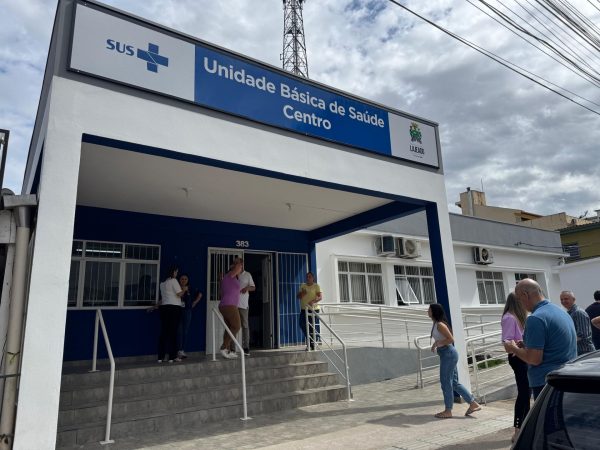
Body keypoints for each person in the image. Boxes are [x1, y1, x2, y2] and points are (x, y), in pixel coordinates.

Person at [504, 279, 577, 399]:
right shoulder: (561, 311)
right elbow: (553, 342)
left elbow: (534, 359)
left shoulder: (536, 318)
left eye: (519, 299)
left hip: (546, 382)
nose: (519, 304)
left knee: (548, 417)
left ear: (525, 295)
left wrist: (513, 348)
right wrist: (527, 344)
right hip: (566, 376)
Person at [428, 303, 481, 419]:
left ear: (434, 312)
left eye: (429, 309)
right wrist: (435, 345)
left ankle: (448, 410)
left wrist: (438, 343)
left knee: (446, 382)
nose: (427, 311)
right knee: (454, 383)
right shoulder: (436, 324)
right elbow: (441, 339)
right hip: (446, 354)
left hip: (448, 354)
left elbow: (451, 339)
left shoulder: (440, 325)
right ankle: (473, 404)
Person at [501, 293, 530, 442]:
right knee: (524, 393)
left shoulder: (518, 318)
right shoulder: (509, 318)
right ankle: (518, 430)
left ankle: (525, 427)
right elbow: (507, 344)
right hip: (518, 358)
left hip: (523, 357)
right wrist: (516, 344)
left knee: (526, 392)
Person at [158, 266, 188, 363]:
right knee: (173, 332)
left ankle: (161, 356)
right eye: (176, 272)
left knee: (164, 332)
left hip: (164, 308)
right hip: (174, 308)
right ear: (173, 272)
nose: (176, 274)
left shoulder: (162, 283)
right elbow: (179, 294)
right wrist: (184, 289)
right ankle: (172, 356)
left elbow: (163, 298)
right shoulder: (174, 281)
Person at [219, 259, 243, 359]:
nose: (241, 267)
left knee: (229, 328)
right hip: (229, 305)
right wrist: (237, 264)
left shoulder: (230, 278)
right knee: (237, 326)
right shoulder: (230, 275)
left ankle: (227, 351)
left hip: (226, 305)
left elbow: (224, 292)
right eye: (240, 265)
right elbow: (236, 269)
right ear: (235, 266)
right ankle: (224, 347)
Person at [559, 290, 595, 355]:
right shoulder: (570, 313)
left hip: (585, 352)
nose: (563, 301)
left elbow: (582, 335)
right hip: (578, 352)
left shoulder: (578, 312)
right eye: (561, 299)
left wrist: (564, 343)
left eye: (566, 299)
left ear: (573, 299)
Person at [177, 274, 203, 359]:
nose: (183, 280)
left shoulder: (190, 288)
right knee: (179, 331)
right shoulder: (176, 287)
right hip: (178, 311)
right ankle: (178, 350)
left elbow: (200, 294)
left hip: (187, 311)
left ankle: (182, 350)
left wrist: (195, 302)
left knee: (185, 331)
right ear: (179, 280)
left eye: (185, 279)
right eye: (182, 279)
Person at [297, 272, 322, 350]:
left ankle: (311, 344)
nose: (308, 278)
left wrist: (313, 301)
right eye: (307, 277)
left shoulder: (316, 286)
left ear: (313, 278)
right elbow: (298, 297)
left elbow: (320, 297)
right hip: (304, 309)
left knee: (311, 327)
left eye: (310, 277)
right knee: (301, 324)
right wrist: (303, 293)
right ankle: (311, 342)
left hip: (313, 309)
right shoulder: (303, 286)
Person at [236, 258, 255, 357]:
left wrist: (247, 288)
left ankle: (246, 347)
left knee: (245, 326)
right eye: (235, 263)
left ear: (242, 264)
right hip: (233, 304)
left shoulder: (247, 275)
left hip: (243, 305)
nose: (236, 264)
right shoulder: (233, 274)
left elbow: (253, 287)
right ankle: (232, 349)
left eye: (238, 263)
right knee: (233, 326)